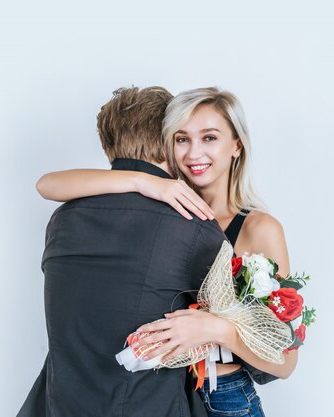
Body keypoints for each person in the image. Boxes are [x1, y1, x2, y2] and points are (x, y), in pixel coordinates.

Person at [36, 87, 299, 417]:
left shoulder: (259, 228)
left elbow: (285, 361)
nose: (193, 153)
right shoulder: (165, 216)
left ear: (236, 146)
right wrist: (143, 182)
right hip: (168, 396)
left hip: (224, 400)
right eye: (181, 139)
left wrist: (216, 330)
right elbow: (48, 185)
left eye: (209, 138)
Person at [17, 86, 226, 417]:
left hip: (60, 407)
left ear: (105, 146)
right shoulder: (195, 225)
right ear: (171, 141)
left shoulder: (62, 219)